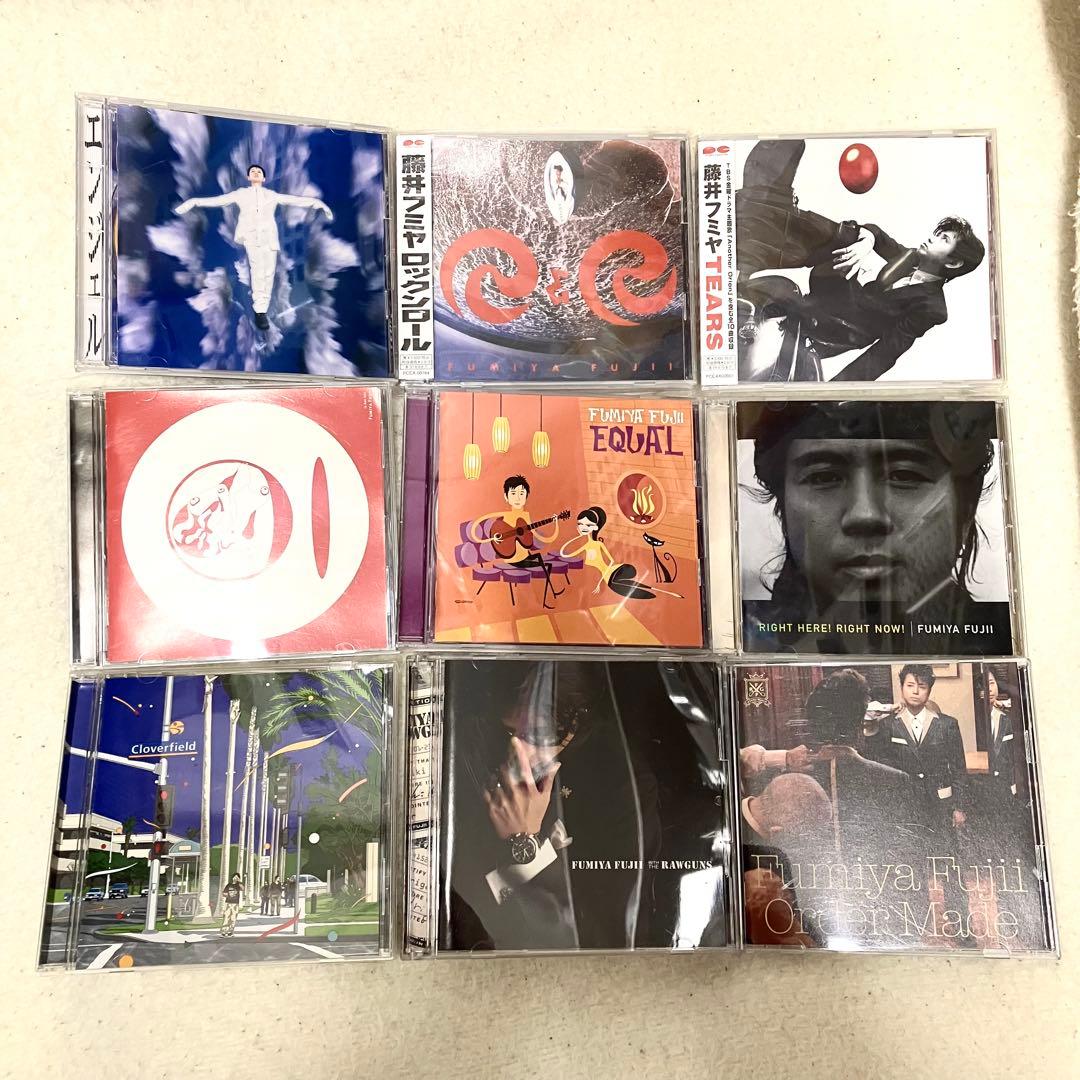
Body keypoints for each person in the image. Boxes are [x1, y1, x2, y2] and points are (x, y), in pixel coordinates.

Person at [441, 661, 726, 951]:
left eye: (536, 735)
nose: (517, 752)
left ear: (575, 721)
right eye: (509, 731)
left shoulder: (621, 785)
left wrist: (523, 841)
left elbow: (603, 935)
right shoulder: (473, 740)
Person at [742, 399, 1003, 654]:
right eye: (823, 477)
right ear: (783, 504)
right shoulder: (745, 639)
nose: (864, 515)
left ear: (966, 506)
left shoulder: (1004, 643)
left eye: (904, 475)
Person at [735, 138, 985, 382]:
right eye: (938, 233)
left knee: (848, 239)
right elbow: (877, 233)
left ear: (953, 263)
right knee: (853, 236)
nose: (932, 238)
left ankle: (763, 220)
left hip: (841, 328)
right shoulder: (911, 257)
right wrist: (866, 241)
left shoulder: (932, 308)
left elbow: (885, 353)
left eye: (943, 239)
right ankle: (767, 210)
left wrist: (837, 391)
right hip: (837, 297)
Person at [175, 163, 334, 330]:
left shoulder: (271, 195)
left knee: (268, 273)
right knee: (258, 273)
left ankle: (262, 310)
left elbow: (294, 200)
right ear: (249, 177)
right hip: (253, 237)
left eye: (259, 171)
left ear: (263, 178)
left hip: (269, 238)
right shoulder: (241, 194)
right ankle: (260, 311)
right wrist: (194, 202)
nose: (256, 173)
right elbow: (218, 200)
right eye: (253, 171)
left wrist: (318, 203)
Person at [468, 475, 565, 609]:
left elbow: (546, 539)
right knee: (546, 566)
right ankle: (543, 601)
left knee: (542, 560)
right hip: (512, 559)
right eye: (513, 493)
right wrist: (493, 539)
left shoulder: (526, 516)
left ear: (526, 496)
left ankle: (550, 593)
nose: (518, 498)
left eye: (521, 493)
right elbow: (475, 529)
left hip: (524, 557)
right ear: (506, 497)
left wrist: (556, 523)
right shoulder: (504, 515)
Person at [558, 507, 683, 600]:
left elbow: (611, 561)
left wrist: (599, 583)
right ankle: (660, 592)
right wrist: (578, 536)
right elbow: (564, 554)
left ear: (595, 527)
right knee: (619, 586)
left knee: (616, 584)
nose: (583, 527)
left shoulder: (598, 544)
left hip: (617, 570)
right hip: (608, 577)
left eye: (588, 525)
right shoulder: (586, 546)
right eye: (580, 524)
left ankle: (658, 591)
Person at [220, 873, 243, 938]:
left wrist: (239, 881)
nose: (235, 878)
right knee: (226, 917)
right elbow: (224, 893)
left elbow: (242, 888)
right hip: (228, 903)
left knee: (233, 918)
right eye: (234, 877)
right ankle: (224, 932)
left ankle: (230, 932)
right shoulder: (229, 885)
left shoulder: (238, 885)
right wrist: (229, 895)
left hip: (235, 904)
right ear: (232, 877)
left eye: (237, 877)